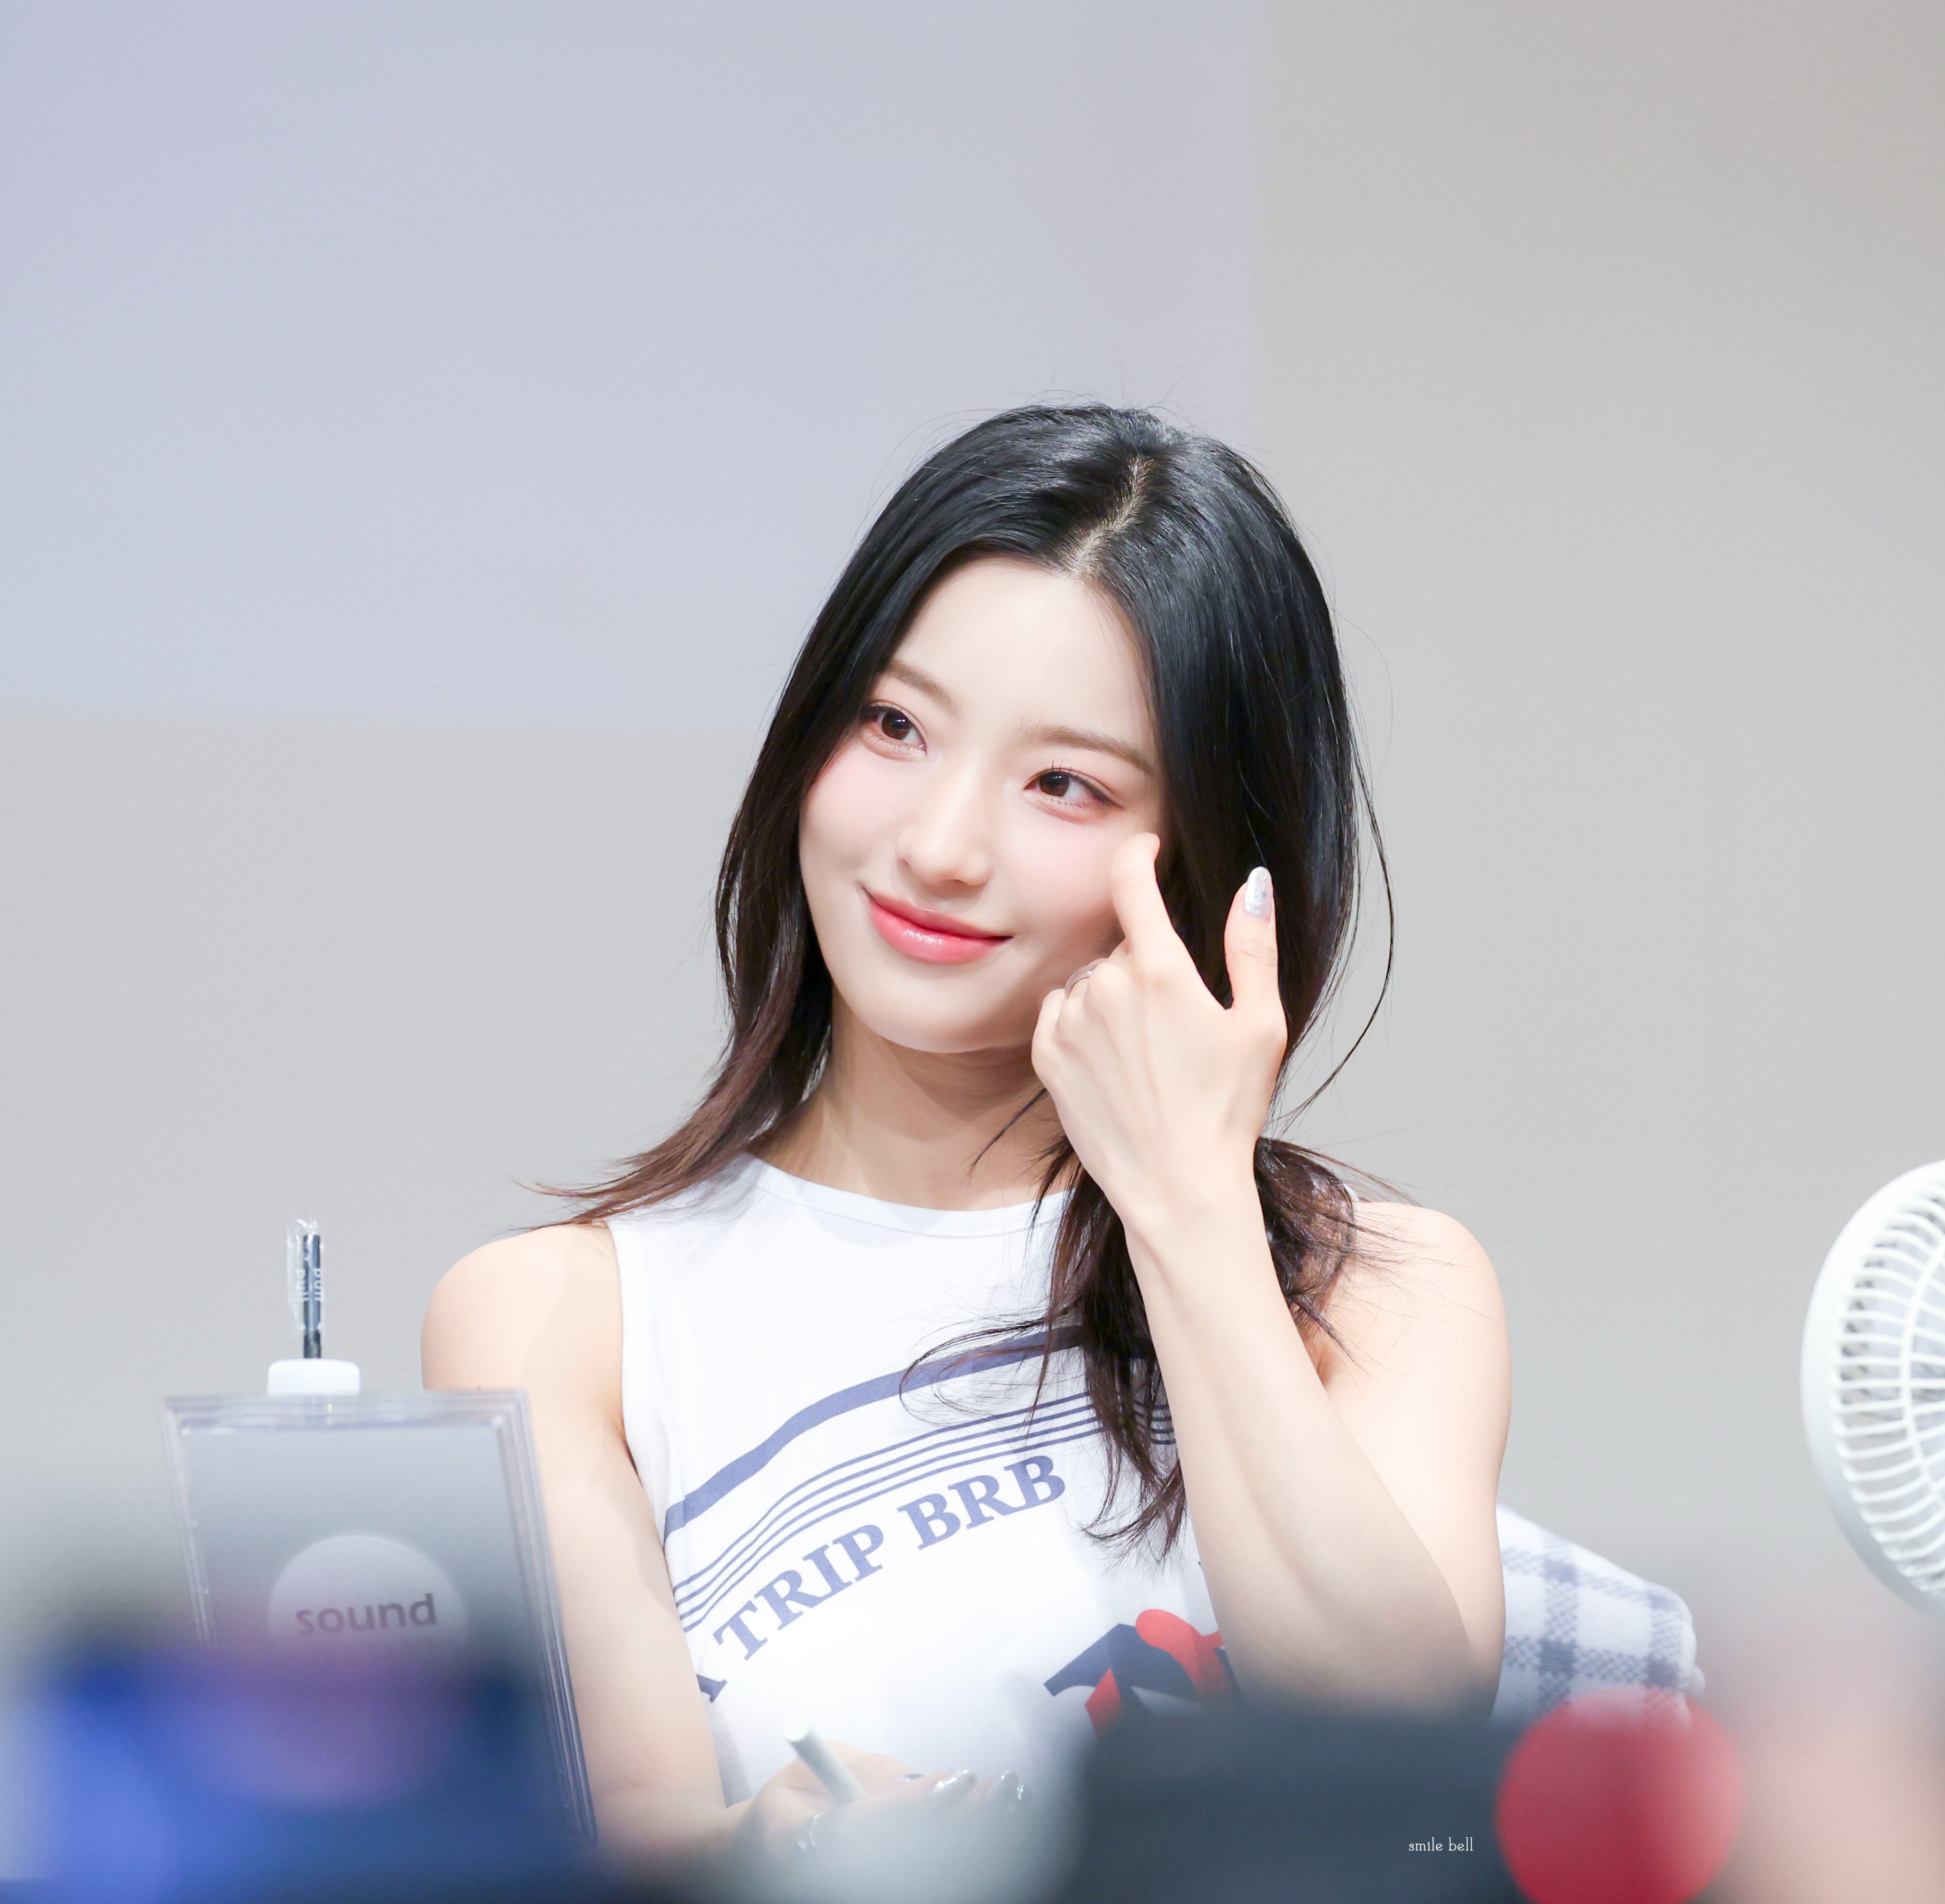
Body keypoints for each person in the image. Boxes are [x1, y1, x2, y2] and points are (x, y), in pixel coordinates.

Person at [422, 405, 1511, 1868]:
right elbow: (623, 1829)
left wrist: (1187, 1207)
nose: (938, 846)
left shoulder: (1371, 1285)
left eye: (1065, 783)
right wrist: (769, 1848)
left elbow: (1396, 1754)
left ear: (1209, 854)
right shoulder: (560, 1315)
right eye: (895, 725)